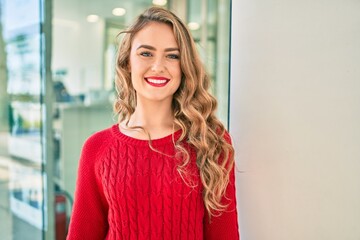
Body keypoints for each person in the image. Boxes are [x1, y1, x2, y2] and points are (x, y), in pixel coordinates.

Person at [67, 6, 239, 240]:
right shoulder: (97, 148)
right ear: (127, 63)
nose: (158, 66)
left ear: (184, 67)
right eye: (146, 53)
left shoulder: (211, 142)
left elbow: (224, 235)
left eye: (172, 55)